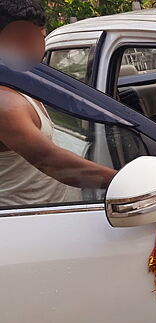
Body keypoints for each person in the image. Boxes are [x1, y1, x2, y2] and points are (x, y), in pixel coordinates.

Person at [0, 0, 116, 323]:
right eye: (22, 38)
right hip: (18, 233)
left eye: (38, 36)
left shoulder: (26, 86)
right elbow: (55, 162)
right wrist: (130, 179)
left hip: (53, 222)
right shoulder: (5, 102)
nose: (35, 47)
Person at [0, 0, 116, 209]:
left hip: (55, 218)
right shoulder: (4, 101)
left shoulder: (24, 82)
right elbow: (52, 161)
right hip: (26, 227)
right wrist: (126, 181)